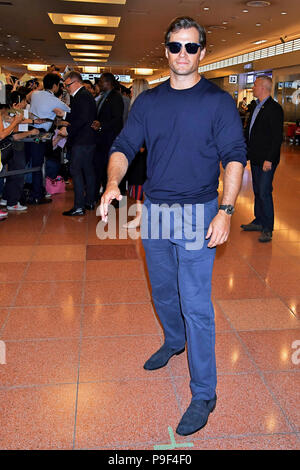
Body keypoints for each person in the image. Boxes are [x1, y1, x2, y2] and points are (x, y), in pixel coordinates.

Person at [100, 16, 246, 436]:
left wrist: (226, 210)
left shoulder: (217, 102)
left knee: (196, 303)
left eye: (191, 47)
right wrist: (113, 182)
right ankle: (173, 339)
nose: (183, 54)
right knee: (163, 290)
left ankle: (204, 391)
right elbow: (124, 146)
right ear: (165, 51)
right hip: (156, 213)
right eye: (175, 47)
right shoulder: (148, 102)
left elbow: (235, 155)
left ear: (202, 52)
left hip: (200, 213)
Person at [241, 75, 284, 242]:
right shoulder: (257, 107)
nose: (253, 88)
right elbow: (251, 132)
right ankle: (258, 221)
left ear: (264, 88)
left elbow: (276, 138)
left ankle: (267, 227)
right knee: (258, 190)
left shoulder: (274, 108)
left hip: (267, 160)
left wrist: (269, 159)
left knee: (265, 192)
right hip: (256, 158)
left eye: (255, 85)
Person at [25, 72, 70, 204]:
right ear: (56, 86)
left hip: (29, 131)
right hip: (41, 135)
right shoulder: (55, 101)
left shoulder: (35, 94)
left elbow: (28, 98)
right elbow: (70, 111)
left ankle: (32, 190)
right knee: (38, 164)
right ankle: (37, 194)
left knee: (30, 162)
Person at [61, 71, 97, 216]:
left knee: (76, 171)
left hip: (82, 140)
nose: (66, 88)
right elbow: (80, 116)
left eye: (67, 85)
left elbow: (81, 119)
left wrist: (67, 130)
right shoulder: (84, 95)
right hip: (88, 140)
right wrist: (65, 116)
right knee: (88, 171)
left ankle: (79, 206)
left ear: (76, 82)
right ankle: (89, 201)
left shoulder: (82, 96)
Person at [92, 72, 124, 202]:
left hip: (110, 139)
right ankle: (103, 195)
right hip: (102, 140)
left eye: (101, 81)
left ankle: (114, 199)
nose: (99, 84)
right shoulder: (104, 96)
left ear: (108, 82)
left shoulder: (116, 97)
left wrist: (101, 125)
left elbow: (117, 120)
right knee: (101, 168)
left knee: (110, 169)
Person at [123, 78, 149, 229]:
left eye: (133, 88)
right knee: (140, 183)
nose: (130, 91)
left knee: (138, 182)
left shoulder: (140, 107)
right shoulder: (143, 106)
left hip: (141, 153)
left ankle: (140, 217)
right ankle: (142, 216)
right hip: (140, 152)